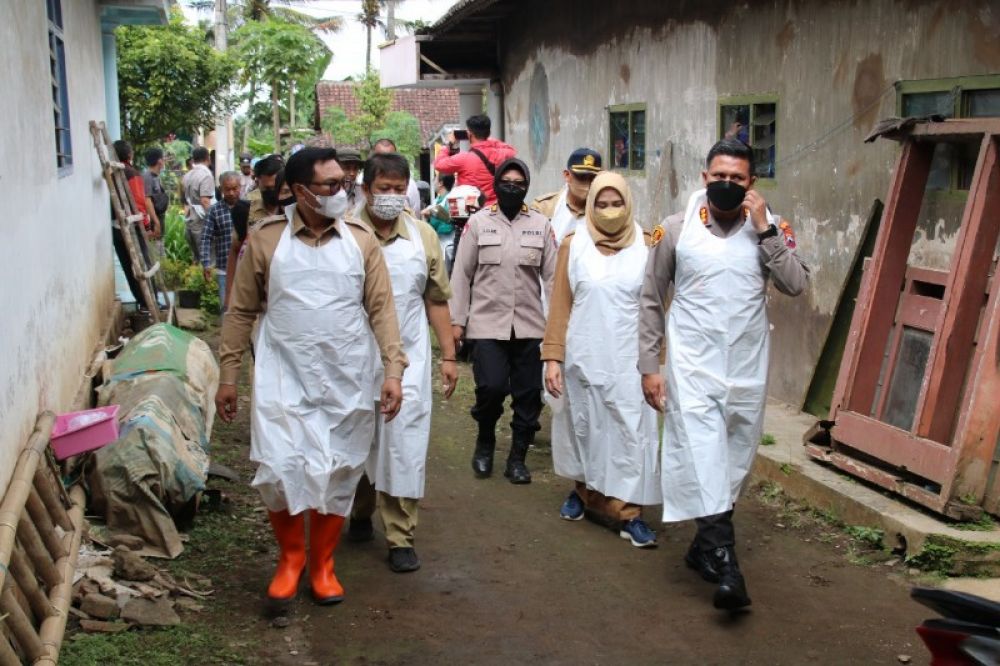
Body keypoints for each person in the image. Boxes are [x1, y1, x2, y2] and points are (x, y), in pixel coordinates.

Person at [216, 147, 407, 606]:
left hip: (347, 375)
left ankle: (323, 563)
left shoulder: (361, 240)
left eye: (344, 182)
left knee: (338, 469)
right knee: (280, 467)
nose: (342, 191)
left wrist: (393, 370)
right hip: (284, 374)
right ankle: (291, 558)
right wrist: (229, 376)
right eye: (331, 185)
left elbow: (382, 310)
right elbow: (240, 311)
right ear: (300, 191)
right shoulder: (264, 240)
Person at [638, 138, 809, 610]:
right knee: (703, 455)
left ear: (752, 183)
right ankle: (728, 567)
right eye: (719, 177)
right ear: (704, 178)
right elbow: (651, 299)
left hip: (748, 368)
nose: (727, 185)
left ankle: (702, 547)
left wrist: (766, 230)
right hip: (693, 366)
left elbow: (796, 285)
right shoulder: (675, 228)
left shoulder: (772, 229)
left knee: (733, 462)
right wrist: (650, 367)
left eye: (737, 178)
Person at [347, 153, 458, 573]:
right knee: (356, 439)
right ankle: (358, 510)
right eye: (384, 189)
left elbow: (436, 298)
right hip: (353, 357)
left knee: (404, 443)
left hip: (409, 356)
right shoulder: (345, 232)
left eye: (399, 189)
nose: (392, 197)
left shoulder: (424, 236)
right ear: (365, 189)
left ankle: (400, 534)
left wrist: (449, 354)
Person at [541, 171, 660, 548]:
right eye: (602, 204)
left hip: (629, 358)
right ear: (590, 206)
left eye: (617, 203)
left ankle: (629, 512)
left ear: (629, 204)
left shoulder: (647, 244)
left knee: (630, 431)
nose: (609, 212)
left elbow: (656, 310)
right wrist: (553, 358)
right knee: (584, 426)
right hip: (584, 355)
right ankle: (584, 493)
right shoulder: (573, 245)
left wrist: (656, 364)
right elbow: (560, 305)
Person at [449, 158, 556, 484]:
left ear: (526, 187)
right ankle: (485, 441)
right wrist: (458, 321)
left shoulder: (541, 225)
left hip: (529, 326)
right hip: (486, 325)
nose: (512, 186)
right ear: (496, 185)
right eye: (506, 181)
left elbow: (552, 281)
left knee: (528, 396)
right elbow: (461, 274)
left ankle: (517, 458)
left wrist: (555, 329)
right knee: (491, 388)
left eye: (518, 182)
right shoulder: (479, 223)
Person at [433, 115, 516, 206]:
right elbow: (512, 151)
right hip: (494, 211)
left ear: (469, 134)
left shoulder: (464, 158)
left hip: (473, 211)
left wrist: (448, 144)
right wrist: (487, 139)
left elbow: (438, 164)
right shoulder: (500, 154)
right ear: (489, 132)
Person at [111, 140, 154, 310]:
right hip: (132, 226)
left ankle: (142, 302)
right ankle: (150, 301)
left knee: (129, 268)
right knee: (142, 265)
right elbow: (138, 202)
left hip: (115, 227)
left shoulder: (111, 172)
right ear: (129, 154)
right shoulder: (131, 173)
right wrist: (147, 226)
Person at [532, 148, 602, 243]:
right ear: (567, 175)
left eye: (592, 178)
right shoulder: (544, 207)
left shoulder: (604, 209)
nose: (587, 184)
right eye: (581, 177)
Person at [200, 171, 241, 303]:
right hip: (225, 268)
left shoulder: (250, 207)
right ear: (221, 189)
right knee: (226, 306)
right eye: (227, 189)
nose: (231, 193)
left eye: (234, 188)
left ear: (240, 187)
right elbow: (206, 238)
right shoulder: (214, 210)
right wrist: (206, 264)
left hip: (247, 267)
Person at [182, 147, 215, 263]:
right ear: (208, 158)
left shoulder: (188, 175)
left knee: (197, 258)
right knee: (208, 259)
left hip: (190, 218)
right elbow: (205, 201)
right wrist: (215, 220)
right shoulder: (206, 174)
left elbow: (185, 199)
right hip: (201, 220)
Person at [371, 139, 421, 212]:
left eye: (399, 189)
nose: (385, 162)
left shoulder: (411, 185)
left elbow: (415, 215)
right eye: (384, 188)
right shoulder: (362, 182)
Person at [422, 172, 455, 266]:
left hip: (447, 246)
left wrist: (432, 215)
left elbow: (448, 226)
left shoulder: (450, 199)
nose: (434, 182)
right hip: (438, 246)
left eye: (435, 178)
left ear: (441, 183)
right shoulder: (437, 200)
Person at [142, 147, 170, 254]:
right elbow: (147, 200)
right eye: (163, 158)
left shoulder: (155, 177)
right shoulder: (147, 177)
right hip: (153, 224)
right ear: (159, 161)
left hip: (158, 221)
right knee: (155, 255)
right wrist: (156, 222)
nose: (165, 161)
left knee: (160, 252)